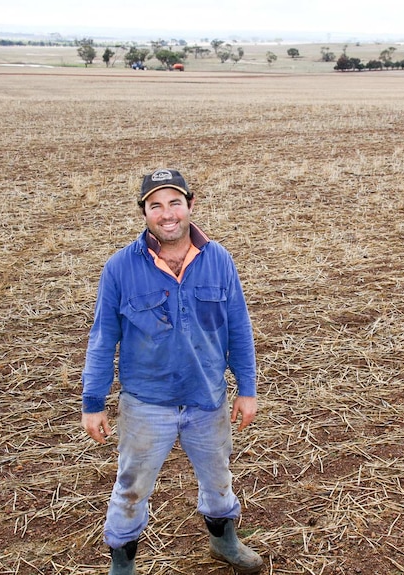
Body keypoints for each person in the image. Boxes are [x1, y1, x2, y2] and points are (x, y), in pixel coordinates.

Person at [81, 169, 263, 574]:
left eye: (174, 203)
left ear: (190, 206)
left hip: (207, 399)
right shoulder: (119, 268)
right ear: (144, 212)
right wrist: (93, 401)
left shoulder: (218, 259)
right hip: (147, 404)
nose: (167, 214)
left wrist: (246, 388)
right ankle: (122, 566)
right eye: (156, 205)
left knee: (218, 480)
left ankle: (224, 542)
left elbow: (238, 327)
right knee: (131, 490)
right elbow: (102, 337)